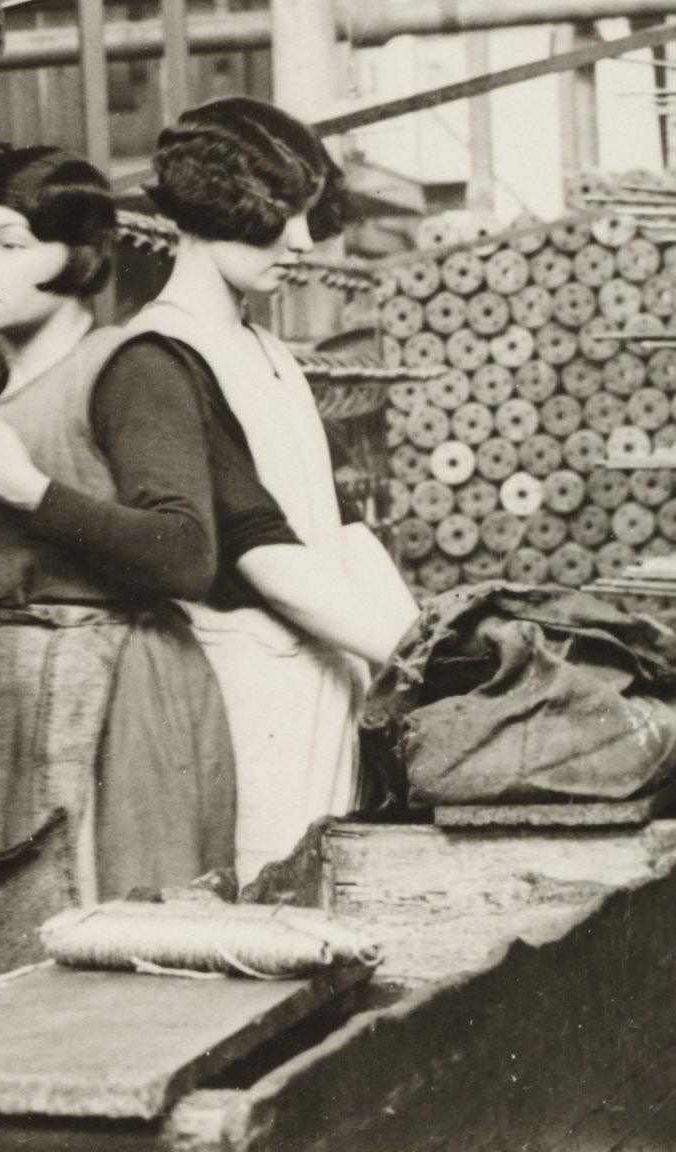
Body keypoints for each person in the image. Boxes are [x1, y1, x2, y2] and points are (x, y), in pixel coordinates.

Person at [0, 148, 286, 975]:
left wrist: (31, 493)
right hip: (3, 707)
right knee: (5, 956)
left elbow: (188, 553)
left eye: (10, 243)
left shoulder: (130, 366)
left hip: (120, 699)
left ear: (79, 256)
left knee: (125, 953)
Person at [124, 97, 419, 884]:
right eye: (278, 215)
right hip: (248, 701)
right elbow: (258, 547)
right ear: (215, 203)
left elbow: (345, 525)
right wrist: (405, 655)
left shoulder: (269, 352)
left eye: (306, 214)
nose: (301, 240)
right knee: (267, 901)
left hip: (326, 682)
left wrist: (423, 644)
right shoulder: (160, 358)